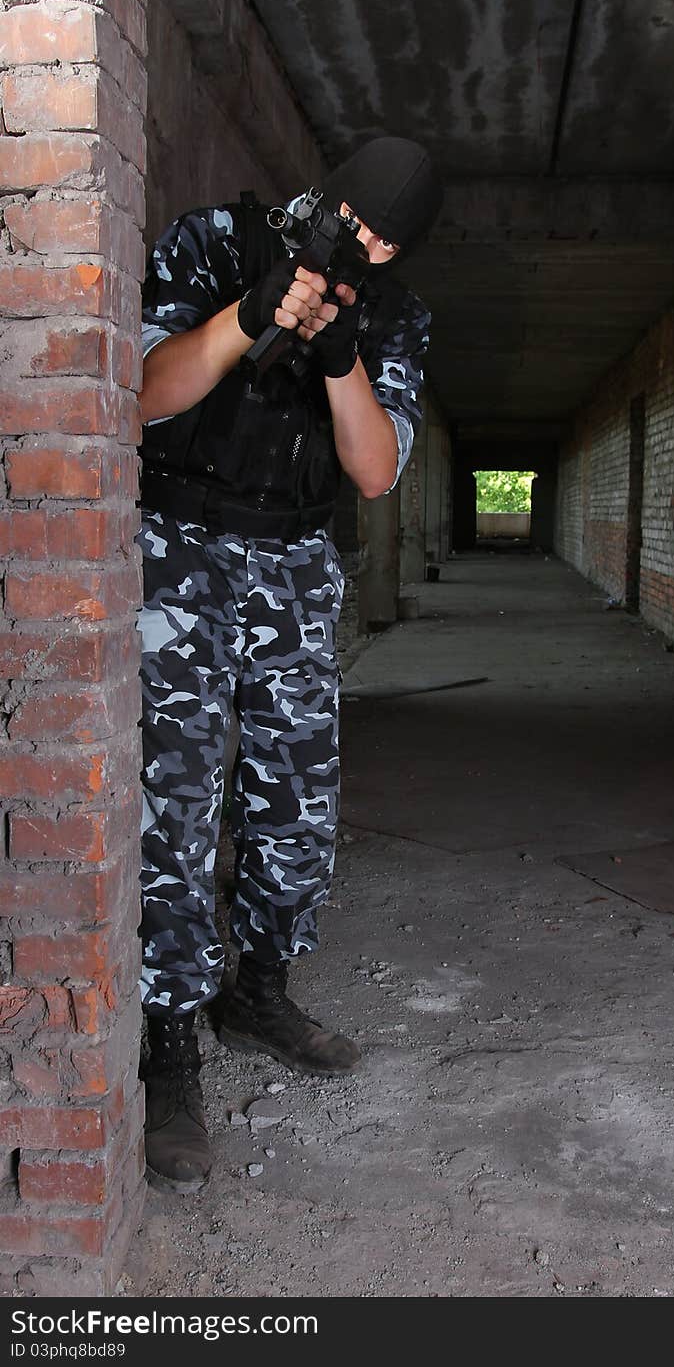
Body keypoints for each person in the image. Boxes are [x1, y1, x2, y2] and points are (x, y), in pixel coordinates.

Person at [136, 138, 443, 1192]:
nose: (370, 247)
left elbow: (370, 469)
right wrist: (248, 317)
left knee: (296, 803)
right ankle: (166, 1031)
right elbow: (137, 395)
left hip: (295, 565)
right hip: (176, 551)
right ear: (329, 200)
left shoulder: (392, 316)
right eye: (359, 225)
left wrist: (337, 352)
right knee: (169, 803)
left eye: (392, 243)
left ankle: (255, 989)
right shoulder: (213, 243)